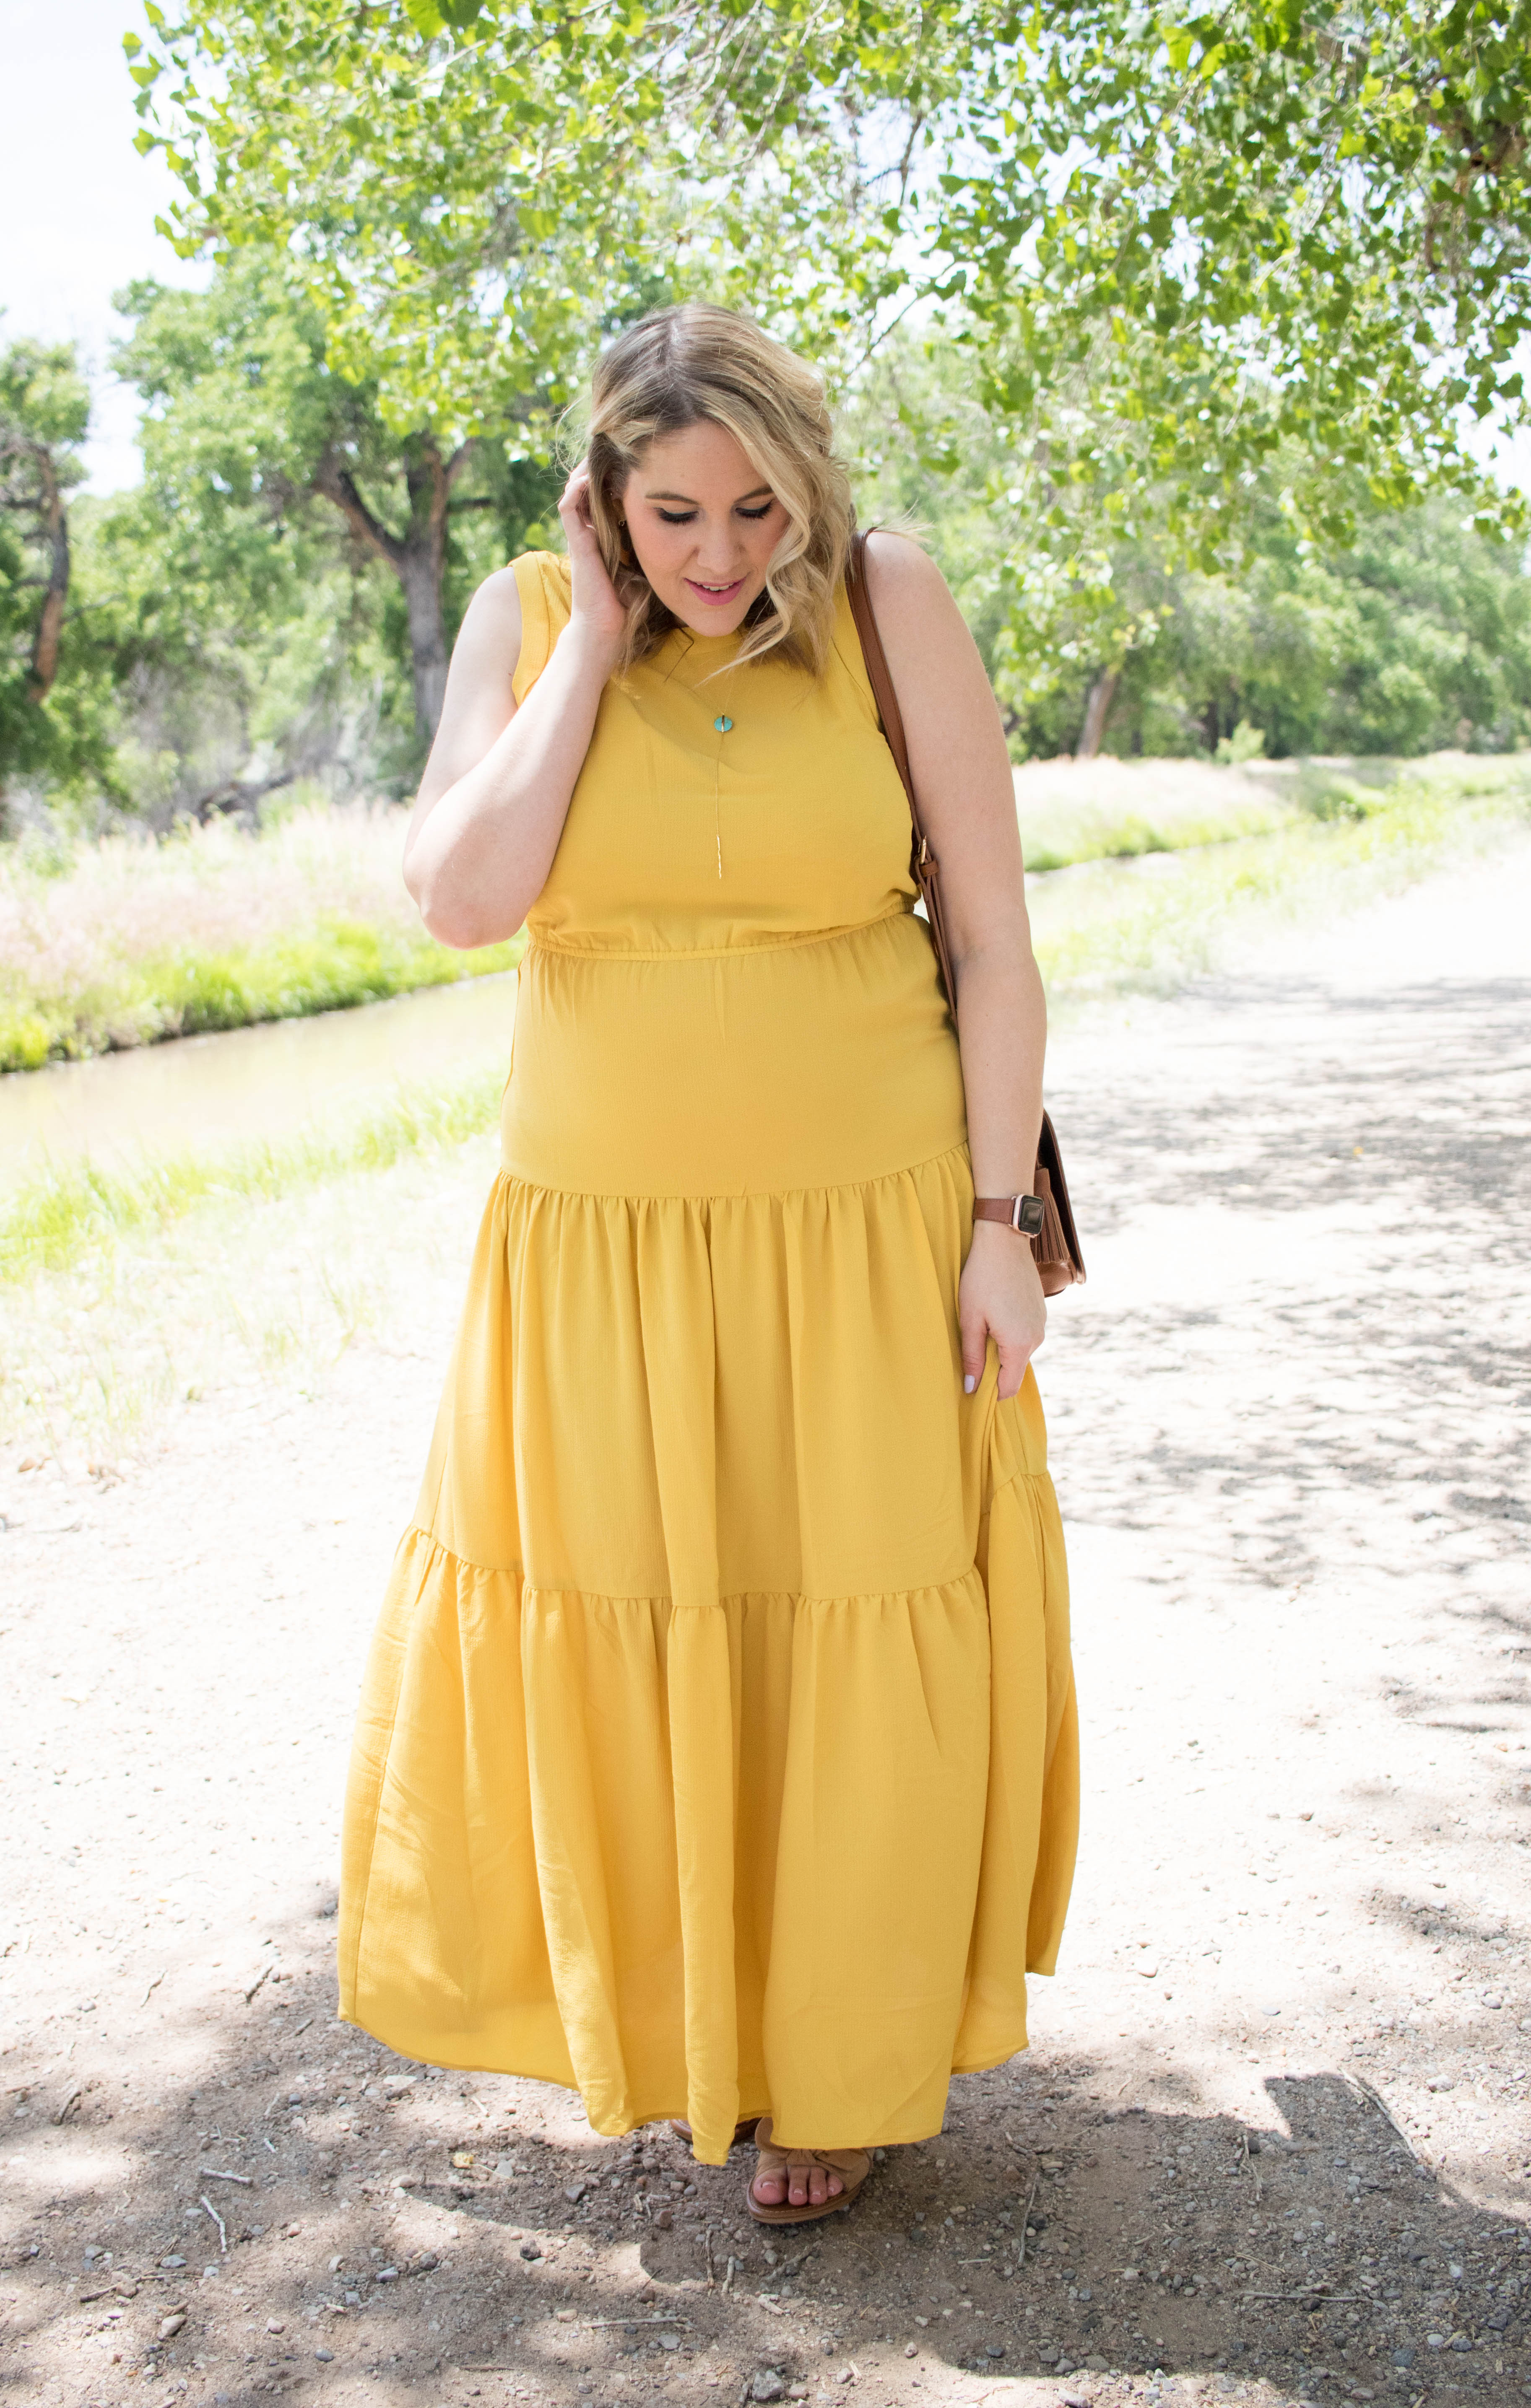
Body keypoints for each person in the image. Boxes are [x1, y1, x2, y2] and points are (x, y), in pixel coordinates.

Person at [338, 301, 1077, 2225]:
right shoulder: (526, 620)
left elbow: (993, 943)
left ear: (811, 488)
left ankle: (839, 2061)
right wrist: (592, 638)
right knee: (654, 1612)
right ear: (600, 499)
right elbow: (460, 898)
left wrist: (998, 1228)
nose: (721, 554)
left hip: (871, 1237)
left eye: (758, 506)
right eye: (670, 512)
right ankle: (691, 2036)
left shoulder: (886, 603)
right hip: (600, 1255)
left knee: (845, 1620)